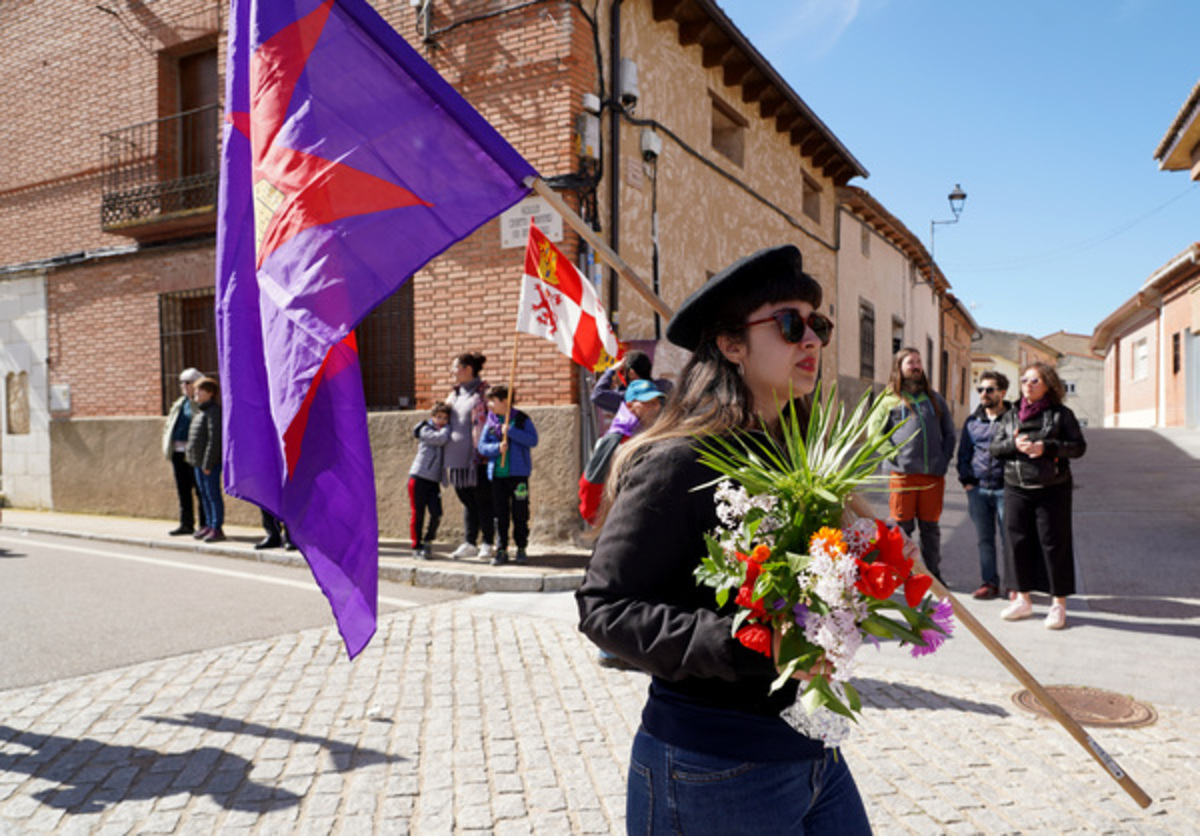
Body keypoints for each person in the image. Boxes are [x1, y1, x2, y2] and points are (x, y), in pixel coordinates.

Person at [576, 245, 872, 834]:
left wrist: (877, 568)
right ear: (732, 345)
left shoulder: (809, 457)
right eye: (791, 324)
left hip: (814, 749)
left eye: (819, 325)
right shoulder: (678, 461)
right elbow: (603, 608)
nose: (811, 340)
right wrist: (750, 640)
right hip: (709, 766)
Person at [990, 362, 1087, 630]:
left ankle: (1058, 605)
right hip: (1016, 486)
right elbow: (995, 448)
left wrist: (1046, 447)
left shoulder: (1060, 415)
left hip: (1052, 487)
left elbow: (1078, 447)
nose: (1028, 385)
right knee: (1016, 543)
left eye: (1034, 381)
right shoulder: (1009, 416)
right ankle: (1022, 599)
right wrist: (1014, 445)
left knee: (1054, 544)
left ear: (1048, 385)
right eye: (1024, 380)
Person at [867, 347, 955, 583]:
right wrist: (896, 456)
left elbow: (949, 433)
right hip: (902, 476)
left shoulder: (935, 399)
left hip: (932, 477)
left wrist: (944, 459)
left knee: (931, 530)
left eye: (918, 362)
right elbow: (875, 434)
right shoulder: (887, 400)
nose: (916, 366)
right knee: (902, 530)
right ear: (900, 367)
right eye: (910, 362)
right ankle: (902, 574)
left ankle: (933, 576)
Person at [578, 379, 667, 526]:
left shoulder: (656, 435)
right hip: (620, 523)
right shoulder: (615, 440)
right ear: (630, 406)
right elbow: (591, 483)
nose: (655, 407)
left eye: (657, 402)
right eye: (647, 402)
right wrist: (599, 521)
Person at [956, 370, 1011, 599]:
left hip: (1006, 489)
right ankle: (989, 583)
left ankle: (1016, 587)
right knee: (984, 540)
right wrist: (968, 482)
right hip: (978, 490)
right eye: (981, 390)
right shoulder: (972, 421)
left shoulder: (1013, 418)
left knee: (1010, 540)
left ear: (1002, 392)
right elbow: (963, 455)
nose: (984, 394)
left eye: (989, 389)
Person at [477, 385, 538, 566]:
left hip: (518, 475)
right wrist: (497, 448)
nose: (489, 405)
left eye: (492, 401)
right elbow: (482, 447)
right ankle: (501, 549)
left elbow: (533, 440)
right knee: (500, 514)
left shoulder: (521, 419)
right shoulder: (490, 422)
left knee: (520, 512)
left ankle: (521, 547)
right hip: (497, 475)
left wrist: (510, 432)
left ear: (504, 401)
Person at [445, 352, 496, 561]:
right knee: (466, 500)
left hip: (477, 457)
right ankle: (469, 542)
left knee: (482, 499)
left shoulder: (484, 392)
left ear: (467, 369)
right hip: (455, 457)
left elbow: (494, 417)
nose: (452, 371)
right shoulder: (454, 394)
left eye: (455, 367)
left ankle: (487, 543)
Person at [162, 368, 206, 536]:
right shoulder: (180, 403)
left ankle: (205, 524)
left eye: (187, 382)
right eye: (181, 382)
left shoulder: (200, 404)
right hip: (178, 452)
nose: (183, 386)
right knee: (183, 489)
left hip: (194, 454)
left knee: (200, 490)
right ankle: (186, 524)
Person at [408, 403, 452, 559]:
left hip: (433, 481)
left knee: (437, 513)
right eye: (439, 417)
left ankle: (428, 541)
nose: (442, 421)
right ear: (432, 417)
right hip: (418, 477)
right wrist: (448, 428)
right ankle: (416, 546)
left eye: (445, 418)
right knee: (418, 514)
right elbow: (440, 439)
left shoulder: (443, 430)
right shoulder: (425, 429)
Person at [186, 377, 224, 543]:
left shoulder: (213, 412)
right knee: (204, 494)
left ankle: (217, 527)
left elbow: (214, 440)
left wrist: (208, 463)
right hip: (198, 462)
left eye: (199, 390)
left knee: (212, 494)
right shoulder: (201, 411)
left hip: (209, 463)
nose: (195, 393)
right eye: (194, 391)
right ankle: (208, 524)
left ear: (210, 393)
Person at [590, 349, 672, 415]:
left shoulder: (630, 397)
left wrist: (611, 371)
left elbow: (597, 395)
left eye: (622, 371)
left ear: (631, 373)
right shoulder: (666, 386)